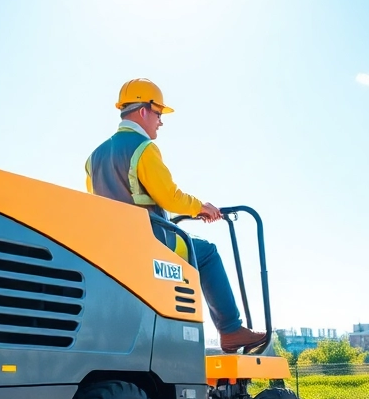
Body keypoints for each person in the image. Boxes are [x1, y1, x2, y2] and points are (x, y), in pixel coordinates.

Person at [85, 79, 266, 354]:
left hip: (114, 248)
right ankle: (230, 329)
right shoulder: (143, 149)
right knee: (206, 253)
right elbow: (169, 196)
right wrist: (200, 207)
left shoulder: (93, 158)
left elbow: (96, 205)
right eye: (158, 113)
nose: (160, 121)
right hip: (151, 241)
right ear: (143, 111)